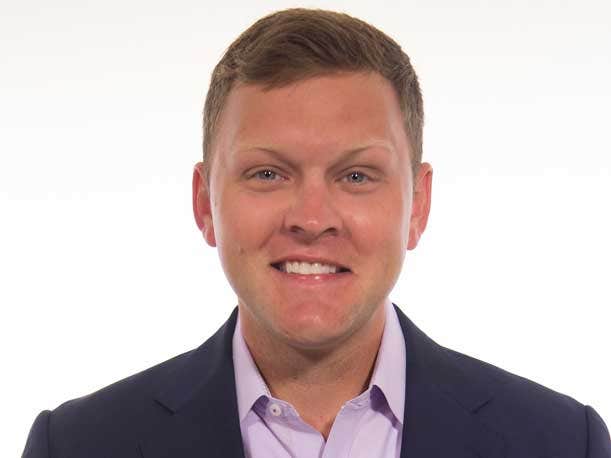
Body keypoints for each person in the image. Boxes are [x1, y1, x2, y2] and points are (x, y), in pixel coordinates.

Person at [22, 8, 610, 458]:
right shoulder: (76, 445)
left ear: (418, 205)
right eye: (268, 173)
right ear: (204, 203)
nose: (310, 218)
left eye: (356, 176)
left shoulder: (563, 443)